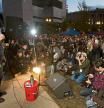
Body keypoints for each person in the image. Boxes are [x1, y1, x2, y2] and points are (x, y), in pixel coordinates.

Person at [0, 33, 6, 103]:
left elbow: (2, 53)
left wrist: (3, 59)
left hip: (1, 64)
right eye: (2, 38)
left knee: (0, 78)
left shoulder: (1, 44)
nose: (3, 40)